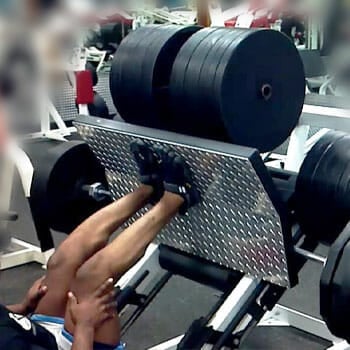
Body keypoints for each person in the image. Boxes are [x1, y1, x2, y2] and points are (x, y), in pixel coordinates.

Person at [0, 88, 200, 350]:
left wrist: (20, 307)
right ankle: (176, 199)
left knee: (62, 261)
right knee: (90, 278)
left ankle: (147, 190)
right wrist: (84, 326)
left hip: (36, 334)